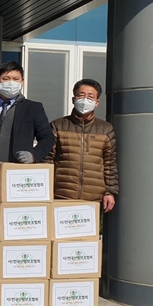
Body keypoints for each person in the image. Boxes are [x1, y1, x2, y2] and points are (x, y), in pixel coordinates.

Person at [45, 79, 118, 212]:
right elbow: (47, 160)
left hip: (94, 198)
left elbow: (110, 164)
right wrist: (45, 190)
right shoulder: (58, 125)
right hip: (61, 196)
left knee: (89, 233)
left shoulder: (106, 129)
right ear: (73, 99)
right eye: (81, 95)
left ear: (97, 103)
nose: (85, 100)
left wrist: (110, 192)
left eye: (90, 97)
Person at [0, 61, 55, 163]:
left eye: (16, 79)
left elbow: (48, 138)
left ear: (22, 82)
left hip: (16, 170)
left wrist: (34, 155)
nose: (11, 83)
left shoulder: (33, 108)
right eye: (6, 79)